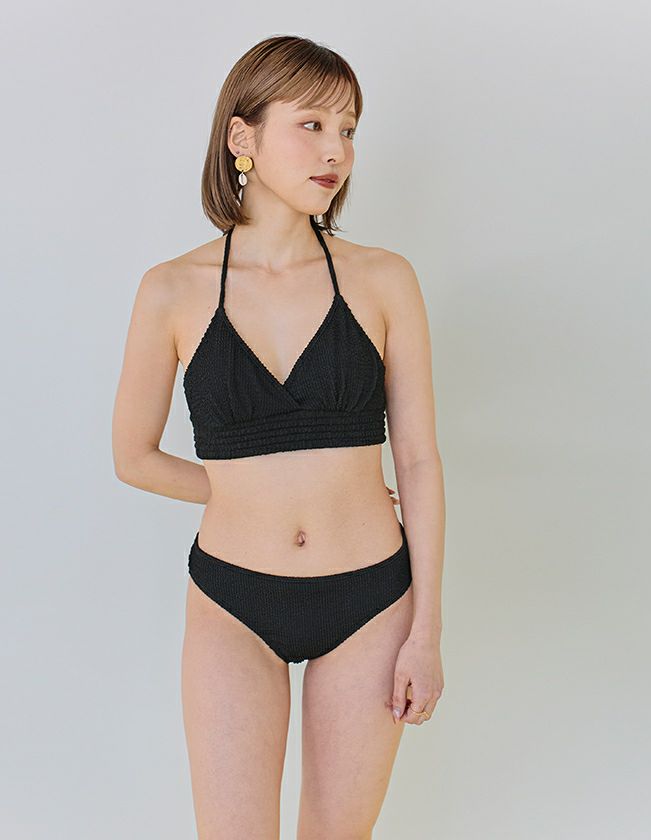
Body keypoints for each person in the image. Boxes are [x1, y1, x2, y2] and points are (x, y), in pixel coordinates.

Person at [112, 34, 445, 839]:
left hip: (372, 600)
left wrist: (427, 633)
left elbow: (419, 460)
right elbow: (132, 457)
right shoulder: (171, 290)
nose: (337, 152)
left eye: (349, 130)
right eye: (313, 125)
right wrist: (238, 489)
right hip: (233, 601)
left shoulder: (384, 278)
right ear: (243, 136)